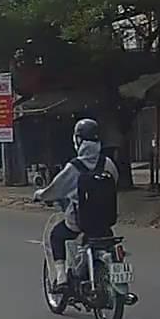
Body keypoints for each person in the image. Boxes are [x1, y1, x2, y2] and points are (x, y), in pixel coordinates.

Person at [34, 118, 120, 293]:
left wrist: (40, 194)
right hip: (105, 221)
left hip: (80, 222)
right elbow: (114, 183)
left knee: (55, 235)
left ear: (78, 140)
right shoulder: (108, 163)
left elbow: (56, 189)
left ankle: (61, 278)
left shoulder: (74, 167)